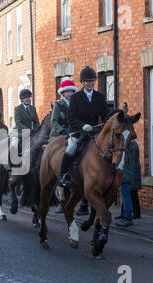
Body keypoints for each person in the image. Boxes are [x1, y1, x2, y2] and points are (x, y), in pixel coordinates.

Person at [58, 66, 109, 187]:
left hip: (94, 132)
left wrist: (106, 123)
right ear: (82, 82)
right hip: (78, 131)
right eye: (87, 81)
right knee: (71, 148)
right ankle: (63, 176)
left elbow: (106, 115)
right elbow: (70, 117)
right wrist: (83, 125)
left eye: (92, 81)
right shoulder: (75, 97)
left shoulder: (100, 97)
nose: (90, 83)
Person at [49, 77, 77, 213]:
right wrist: (63, 131)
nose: (69, 94)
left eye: (71, 91)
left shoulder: (76, 103)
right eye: (67, 92)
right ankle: (60, 195)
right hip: (58, 134)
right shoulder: (58, 105)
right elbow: (54, 122)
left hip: (73, 133)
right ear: (63, 93)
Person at [115, 139, 136, 227]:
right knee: (125, 196)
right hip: (126, 175)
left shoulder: (127, 150)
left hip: (125, 176)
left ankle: (128, 218)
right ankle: (126, 216)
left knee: (126, 196)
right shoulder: (130, 148)